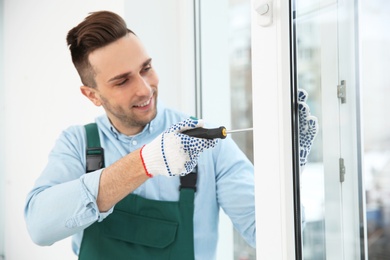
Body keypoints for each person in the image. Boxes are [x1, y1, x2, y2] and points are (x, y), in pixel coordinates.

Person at [24, 10, 317, 259]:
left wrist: (287, 173)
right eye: (122, 81)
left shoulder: (204, 142)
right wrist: (144, 163)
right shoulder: (77, 145)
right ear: (92, 95)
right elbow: (39, 227)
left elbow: (266, 233)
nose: (144, 88)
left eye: (146, 68)